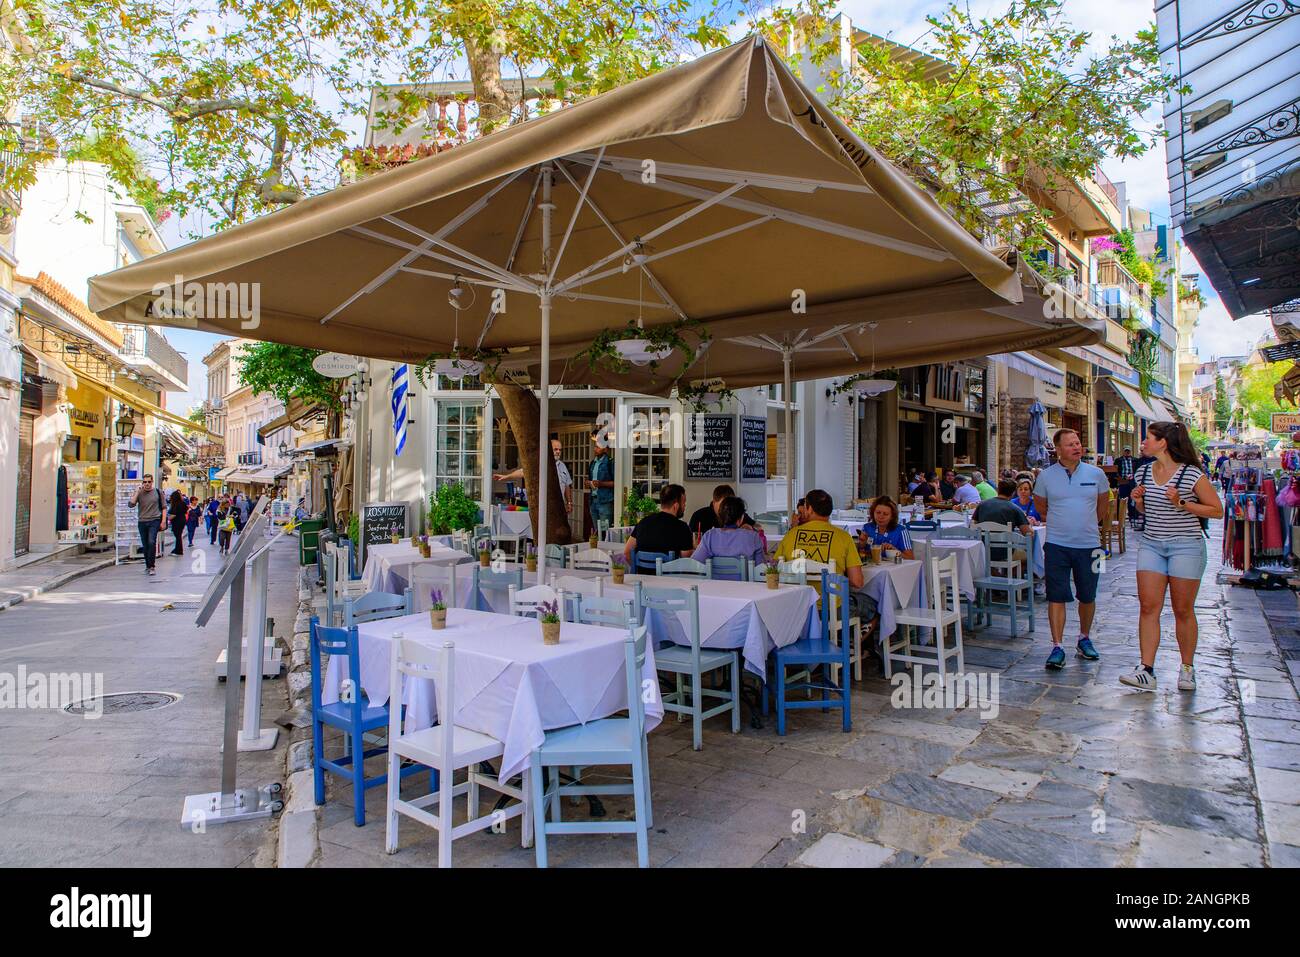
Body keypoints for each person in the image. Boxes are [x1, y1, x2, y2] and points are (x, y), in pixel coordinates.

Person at [1121, 421, 1223, 692]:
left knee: (1182, 609)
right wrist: (1139, 501)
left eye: (1148, 438)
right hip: (1152, 544)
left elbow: (1216, 510)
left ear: (1162, 442)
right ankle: (1146, 669)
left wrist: (1182, 503)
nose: (1143, 442)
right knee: (1148, 606)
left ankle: (1187, 668)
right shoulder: (1143, 472)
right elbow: (1145, 513)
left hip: (1186, 546)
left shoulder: (1190, 475)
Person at [1033, 428, 1109, 670]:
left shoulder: (1097, 474)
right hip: (1056, 544)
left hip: (1091, 546)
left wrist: (1083, 525)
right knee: (1056, 595)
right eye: (1070, 444)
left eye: (1078, 443)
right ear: (1058, 450)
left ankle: (1084, 638)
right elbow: (1041, 508)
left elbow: (1102, 509)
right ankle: (1057, 646)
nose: (1077, 447)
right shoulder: (1045, 477)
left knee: (1089, 594)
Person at [774, 489, 864, 594]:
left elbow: (774, 570)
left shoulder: (790, 534)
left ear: (810, 509)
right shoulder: (844, 537)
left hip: (797, 605)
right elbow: (857, 582)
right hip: (831, 607)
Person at [494, 436, 574, 515]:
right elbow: (523, 472)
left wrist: (569, 503)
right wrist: (505, 477)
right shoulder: (540, 463)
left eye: (560, 450)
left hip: (559, 507)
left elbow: (567, 485)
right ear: (548, 450)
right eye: (555, 449)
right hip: (544, 508)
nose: (558, 452)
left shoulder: (562, 465)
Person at [624, 483, 693, 568]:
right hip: (669, 580)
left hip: (643, 579)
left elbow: (627, 552)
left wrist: (638, 568)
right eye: (684, 503)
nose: (685, 506)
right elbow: (686, 559)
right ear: (676, 506)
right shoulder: (682, 527)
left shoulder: (643, 522)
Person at [692, 495, 766, 572]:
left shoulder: (709, 536)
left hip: (715, 583)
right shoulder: (753, 537)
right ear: (740, 518)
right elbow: (762, 571)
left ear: (720, 516)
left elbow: (695, 564)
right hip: (744, 584)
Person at [129, 474, 166, 575]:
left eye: (149, 482)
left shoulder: (158, 492)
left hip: (154, 520)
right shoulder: (140, 493)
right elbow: (131, 504)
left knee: (151, 542)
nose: (147, 484)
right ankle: (148, 565)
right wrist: (137, 492)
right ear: (142, 483)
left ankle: (152, 566)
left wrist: (163, 521)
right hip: (142, 521)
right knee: (145, 545)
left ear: (152, 482)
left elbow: (164, 507)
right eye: (145, 482)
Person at [689, 483, 757, 539]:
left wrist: (751, 528)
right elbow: (690, 541)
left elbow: (758, 527)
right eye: (722, 505)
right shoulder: (699, 516)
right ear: (713, 503)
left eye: (729, 505)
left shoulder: (738, 514)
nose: (725, 509)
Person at [857, 495, 914, 559]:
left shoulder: (901, 531)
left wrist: (895, 551)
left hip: (894, 567)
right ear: (873, 513)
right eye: (878, 513)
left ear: (892, 516)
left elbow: (910, 558)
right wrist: (862, 544)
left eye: (885, 514)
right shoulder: (867, 528)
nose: (881, 517)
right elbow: (860, 554)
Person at [588, 427, 615, 531]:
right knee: (596, 530)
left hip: (605, 501)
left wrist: (601, 484)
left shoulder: (610, 462)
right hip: (593, 500)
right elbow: (590, 479)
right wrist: (588, 483)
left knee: (604, 531)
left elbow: (616, 483)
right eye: (595, 447)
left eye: (598, 447)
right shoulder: (593, 463)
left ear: (605, 448)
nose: (595, 449)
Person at [167, 490, 187, 556]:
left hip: (177, 522)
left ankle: (178, 550)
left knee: (178, 536)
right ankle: (178, 549)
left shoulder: (175, 504)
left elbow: (173, 514)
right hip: (182, 520)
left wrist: (166, 519)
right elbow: (186, 510)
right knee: (179, 536)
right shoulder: (183, 503)